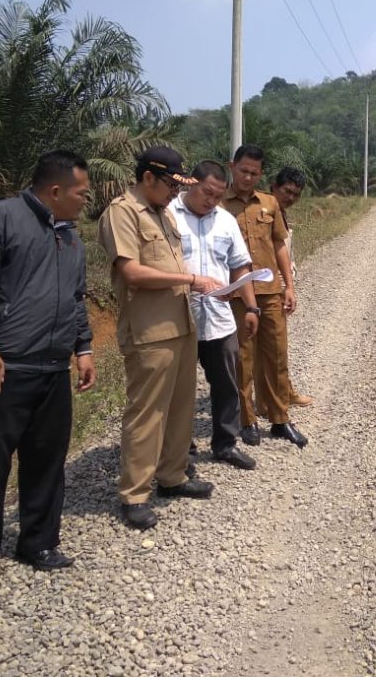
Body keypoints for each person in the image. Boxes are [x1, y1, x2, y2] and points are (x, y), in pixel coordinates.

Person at [0, 150, 96, 593]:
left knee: (47, 461)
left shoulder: (70, 237)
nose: (85, 200)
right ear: (55, 190)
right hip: (4, 368)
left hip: (52, 368)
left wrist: (83, 347)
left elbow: (76, 297)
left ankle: (39, 542)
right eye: (81, 193)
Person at [97, 146, 220, 532]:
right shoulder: (122, 212)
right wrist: (190, 279)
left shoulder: (164, 213)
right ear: (147, 177)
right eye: (170, 184)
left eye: (178, 186)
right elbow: (132, 272)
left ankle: (172, 476)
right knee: (147, 412)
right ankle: (134, 494)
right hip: (150, 331)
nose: (174, 193)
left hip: (181, 324)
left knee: (181, 407)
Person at [169, 160, 259, 471]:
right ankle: (181, 451)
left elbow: (240, 266)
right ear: (190, 184)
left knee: (226, 383)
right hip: (179, 318)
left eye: (218, 196)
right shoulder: (168, 215)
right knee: (178, 390)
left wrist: (251, 307)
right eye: (207, 193)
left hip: (219, 318)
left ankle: (225, 444)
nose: (212, 201)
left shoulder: (225, 221)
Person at [223, 145, 307, 448]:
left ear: (261, 175)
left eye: (254, 173)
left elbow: (280, 245)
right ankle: (247, 420)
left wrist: (289, 287)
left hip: (270, 293)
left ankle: (280, 418)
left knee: (277, 356)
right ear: (232, 167)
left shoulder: (269, 203)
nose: (248, 177)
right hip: (236, 295)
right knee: (243, 359)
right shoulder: (218, 205)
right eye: (243, 171)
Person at [256, 166, 315, 411]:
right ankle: (273, 398)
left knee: (274, 348)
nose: (290, 197)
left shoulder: (280, 214)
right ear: (274, 187)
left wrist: (289, 286)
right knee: (270, 349)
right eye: (287, 191)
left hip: (279, 289)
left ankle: (276, 395)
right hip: (263, 289)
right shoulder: (261, 214)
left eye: (295, 194)